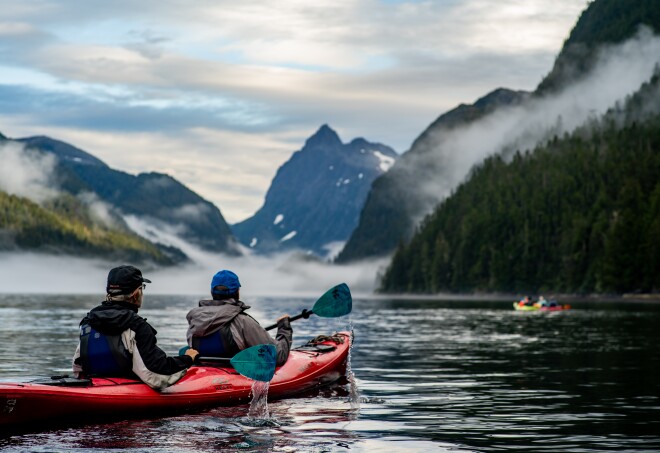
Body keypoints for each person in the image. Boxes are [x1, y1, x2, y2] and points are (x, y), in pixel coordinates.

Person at [72, 265, 199, 390]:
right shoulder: (137, 326)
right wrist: (187, 359)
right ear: (136, 293)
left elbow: (78, 368)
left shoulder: (88, 321)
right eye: (142, 287)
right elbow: (157, 375)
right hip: (125, 391)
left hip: (94, 385)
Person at [186, 270, 292, 366]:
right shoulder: (243, 322)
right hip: (233, 375)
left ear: (212, 292)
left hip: (204, 374)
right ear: (237, 292)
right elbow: (278, 356)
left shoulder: (195, 321)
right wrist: (284, 327)